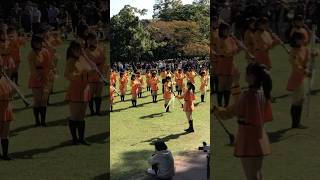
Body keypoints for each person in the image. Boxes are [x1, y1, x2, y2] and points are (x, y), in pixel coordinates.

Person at [213, 63, 273, 180]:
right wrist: (236, 84)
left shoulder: (247, 96)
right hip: (259, 136)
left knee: (252, 176)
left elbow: (229, 112)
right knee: (258, 174)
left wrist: (215, 109)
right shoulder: (263, 93)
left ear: (252, 77)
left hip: (248, 138)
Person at [65, 40, 93, 145]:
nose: (81, 51)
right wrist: (81, 75)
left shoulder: (83, 58)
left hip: (85, 89)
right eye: (78, 49)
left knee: (81, 116)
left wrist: (92, 71)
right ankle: (74, 139)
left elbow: (89, 70)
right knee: (75, 116)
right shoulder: (70, 61)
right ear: (72, 50)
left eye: (81, 48)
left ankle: (81, 138)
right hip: (76, 89)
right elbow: (67, 75)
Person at [287, 32, 318, 128]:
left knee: (301, 101)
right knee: (296, 102)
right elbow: (297, 66)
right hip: (296, 79)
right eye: (301, 39)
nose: (303, 40)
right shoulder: (293, 52)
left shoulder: (304, 48)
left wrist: (315, 53)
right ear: (296, 40)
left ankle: (297, 122)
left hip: (303, 79)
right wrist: (306, 72)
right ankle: (295, 123)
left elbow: (310, 54)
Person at [215, 22, 240, 107]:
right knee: (222, 84)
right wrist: (231, 52)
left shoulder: (231, 39)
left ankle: (226, 104)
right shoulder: (219, 40)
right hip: (223, 63)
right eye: (225, 30)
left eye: (228, 30)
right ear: (221, 30)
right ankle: (219, 104)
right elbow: (223, 52)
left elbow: (236, 49)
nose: (227, 31)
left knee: (229, 84)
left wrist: (232, 51)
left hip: (230, 63)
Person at [28, 35, 50, 127]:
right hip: (35, 77)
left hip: (45, 76)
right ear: (33, 43)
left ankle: (43, 121)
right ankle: (37, 121)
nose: (38, 44)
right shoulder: (31, 54)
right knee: (37, 100)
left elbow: (49, 63)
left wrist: (49, 74)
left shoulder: (45, 51)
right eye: (36, 42)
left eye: (39, 42)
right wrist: (38, 77)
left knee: (44, 100)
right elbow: (32, 68)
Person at [86, 32, 107, 116]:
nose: (94, 42)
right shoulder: (85, 52)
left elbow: (103, 61)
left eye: (95, 40)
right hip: (90, 77)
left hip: (99, 76)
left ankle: (98, 111)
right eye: (92, 40)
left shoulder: (100, 49)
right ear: (88, 41)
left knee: (98, 95)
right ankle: (92, 111)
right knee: (90, 95)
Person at [0, 60, 15, 160]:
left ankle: (5, 154)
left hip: (6, 107)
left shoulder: (5, 79)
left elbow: (13, 92)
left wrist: (11, 84)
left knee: (5, 133)